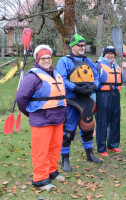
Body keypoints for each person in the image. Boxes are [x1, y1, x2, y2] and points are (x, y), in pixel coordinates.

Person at [16, 45, 66, 191]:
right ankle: (40, 179)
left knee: (55, 147)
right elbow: (21, 98)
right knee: (41, 150)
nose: (46, 60)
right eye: (43, 58)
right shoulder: (32, 76)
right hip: (41, 119)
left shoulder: (55, 74)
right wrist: (30, 113)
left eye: (48, 57)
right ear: (38, 59)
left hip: (57, 118)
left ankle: (51, 171)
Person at [56, 34, 102, 172]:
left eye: (84, 45)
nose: (83, 47)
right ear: (72, 46)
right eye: (80, 45)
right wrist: (75, 88)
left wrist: (95, 86)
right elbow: (61, 79)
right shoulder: (64, 61)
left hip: (86, 99)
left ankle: (89, 154)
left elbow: (97, 77)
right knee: (68, 131)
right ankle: (65, 159)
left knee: (88, 128)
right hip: (71, 100)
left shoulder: (88, 61)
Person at [94, 46, 126, 156]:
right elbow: (95, 81)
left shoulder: (117, 66)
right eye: (108, 53)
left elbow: (123, 80)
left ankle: (112, 145)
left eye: (112, 53)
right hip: (103, 95)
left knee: (115, 120)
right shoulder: (98, 65)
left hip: (116, 95)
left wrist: (125, 70)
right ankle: (101, 148)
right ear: (104, 54)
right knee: (102, 122)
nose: (110, 55)